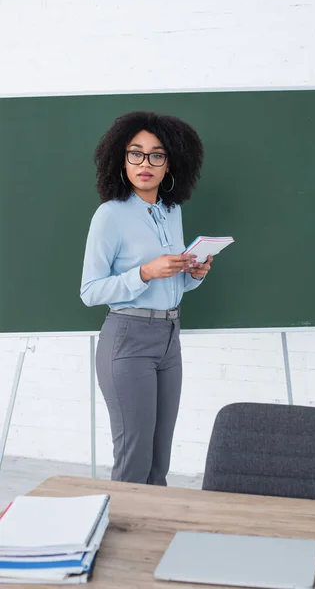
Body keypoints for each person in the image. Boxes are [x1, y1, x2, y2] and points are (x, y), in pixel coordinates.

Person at [80, 111, 212, 485]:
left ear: (170, 163)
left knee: (159, 459)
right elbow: (90, 291)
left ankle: (154, 537)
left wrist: (194, 274)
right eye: (135, 153)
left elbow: (172, 284)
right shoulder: (110, 215)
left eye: (157, 155)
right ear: (121, 160)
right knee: (134, 457)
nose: (145, 164)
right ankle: (121, 536)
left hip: (170, 338)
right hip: (128, 338)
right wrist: (144, 272)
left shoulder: (172, 211)